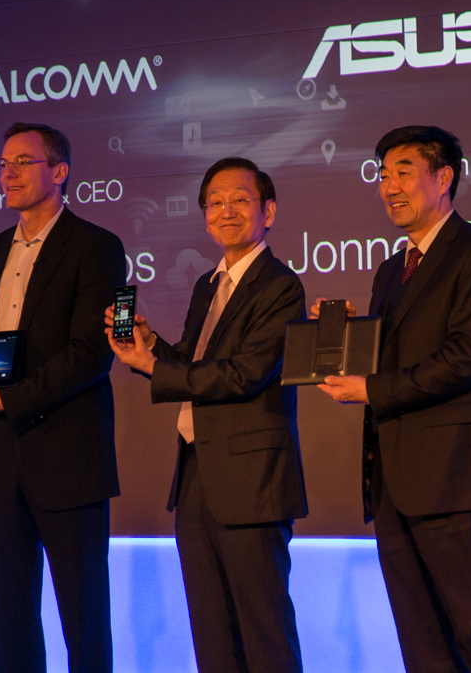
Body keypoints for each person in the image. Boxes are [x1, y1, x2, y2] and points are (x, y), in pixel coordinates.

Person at [316, 126, 471, 673]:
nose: (388, 186)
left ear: (443, 177)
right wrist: (343, 337)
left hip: (457, 479)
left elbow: (468, 357)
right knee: (423, 643)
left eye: (403, 172)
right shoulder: (392, 269)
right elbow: (392, 356)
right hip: (393, 483)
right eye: (382, 175)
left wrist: (370, 389)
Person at [0, 122, 126, 673]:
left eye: (22, 162)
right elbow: (9, 347)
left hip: (68, 451)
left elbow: (92, 353)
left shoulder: (97, 246)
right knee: (6, 618)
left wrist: (9, 399)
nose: (7, 174)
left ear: (59, 172)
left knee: (84, 619)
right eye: (3, 164)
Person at [107, 157, 306, 673]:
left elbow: (244, 374)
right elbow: (193, 364)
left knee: (265, 634)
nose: (226, 210)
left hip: (252, 482)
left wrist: (156, 367)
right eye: (215, 202)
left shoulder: (281, 285)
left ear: (268, 211)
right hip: (196, 477)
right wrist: (150, 347)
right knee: (212, 635)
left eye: (240, 199)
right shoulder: (207, 285)